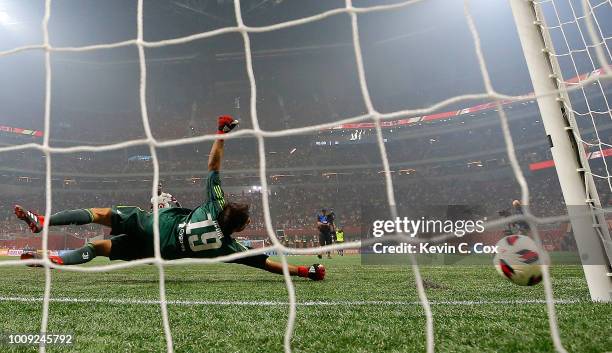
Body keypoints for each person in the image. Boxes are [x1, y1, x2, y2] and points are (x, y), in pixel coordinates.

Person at [15, 115, 325, 281]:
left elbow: (213, 167)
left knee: (99, 214)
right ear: (239, 230)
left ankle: (43, 222)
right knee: (97, 248)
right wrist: (305, 271)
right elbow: (267, 264)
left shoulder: (214, 205)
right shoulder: (230, 247)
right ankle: (55, 260)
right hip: (159, 254)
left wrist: (220, 134)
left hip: (155, 226)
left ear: (225, 208)